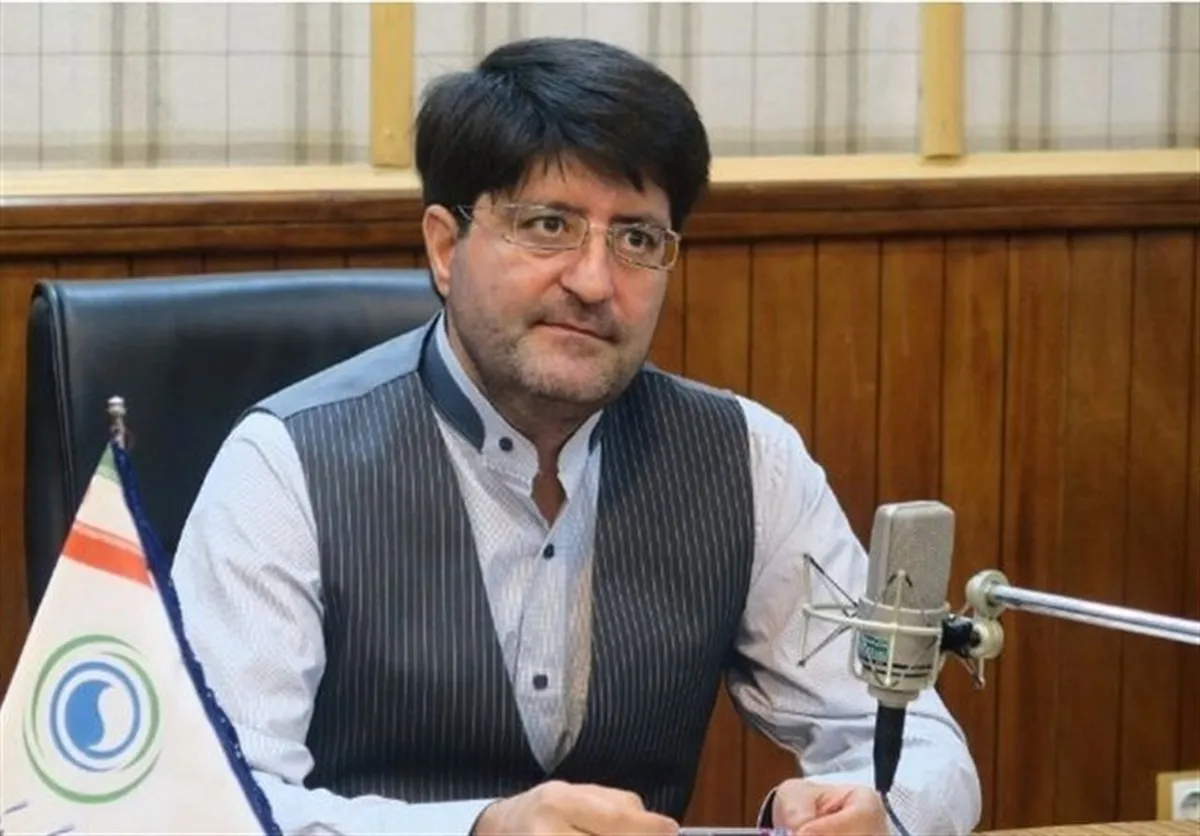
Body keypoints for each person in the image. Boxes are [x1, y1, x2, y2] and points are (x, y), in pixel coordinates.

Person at [171, 36, 981, 836]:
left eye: (637, 240)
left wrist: (873, 810)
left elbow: (917, 744)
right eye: (548, 224)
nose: (595, 282)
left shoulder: (747, 459)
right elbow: (204, 806)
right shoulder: (285, 466)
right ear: (446, 248)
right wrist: (479, 830)